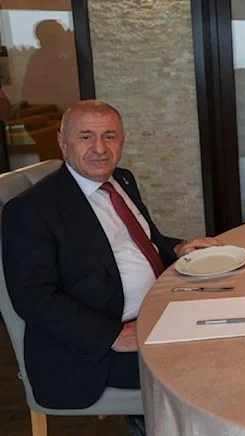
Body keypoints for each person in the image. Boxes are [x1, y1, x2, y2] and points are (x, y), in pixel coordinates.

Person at [1, 100, 220, 434]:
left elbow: (145, 240)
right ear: (63, 142)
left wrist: (177, 248)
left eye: (110, 136)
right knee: (213, 365)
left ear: (122, 140)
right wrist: (114, 335)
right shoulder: (30, 210)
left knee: (236, 327)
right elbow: (33, 299)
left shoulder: (121, 179)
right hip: (94, 348)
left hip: (158, 311)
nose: (100, 148)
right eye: (86, 137)